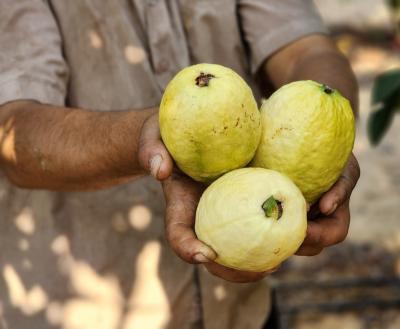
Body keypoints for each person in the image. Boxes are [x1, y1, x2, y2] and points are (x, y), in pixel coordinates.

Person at [0, 1, 360, 328]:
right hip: (90, 311)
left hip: (241, 312)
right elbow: (15, 130)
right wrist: (146, 138)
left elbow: (306, 50)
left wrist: (325, 132)